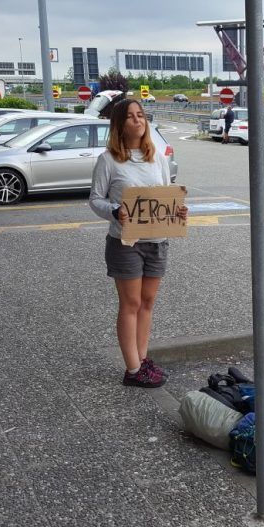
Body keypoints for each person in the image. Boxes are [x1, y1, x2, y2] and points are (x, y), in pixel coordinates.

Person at [89, 98, 188, 388]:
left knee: (147, 302)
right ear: (120, 124)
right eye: (131, 116)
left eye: (141, 115)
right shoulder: (108, 160)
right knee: (130, 303)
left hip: (157, 240)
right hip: (125, 242)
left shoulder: (156, 156)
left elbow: (166, 193)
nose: (138, 120)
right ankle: (132, 370)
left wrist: (177, 210)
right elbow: (95, 199)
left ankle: (142, 360)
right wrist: (114, 211)